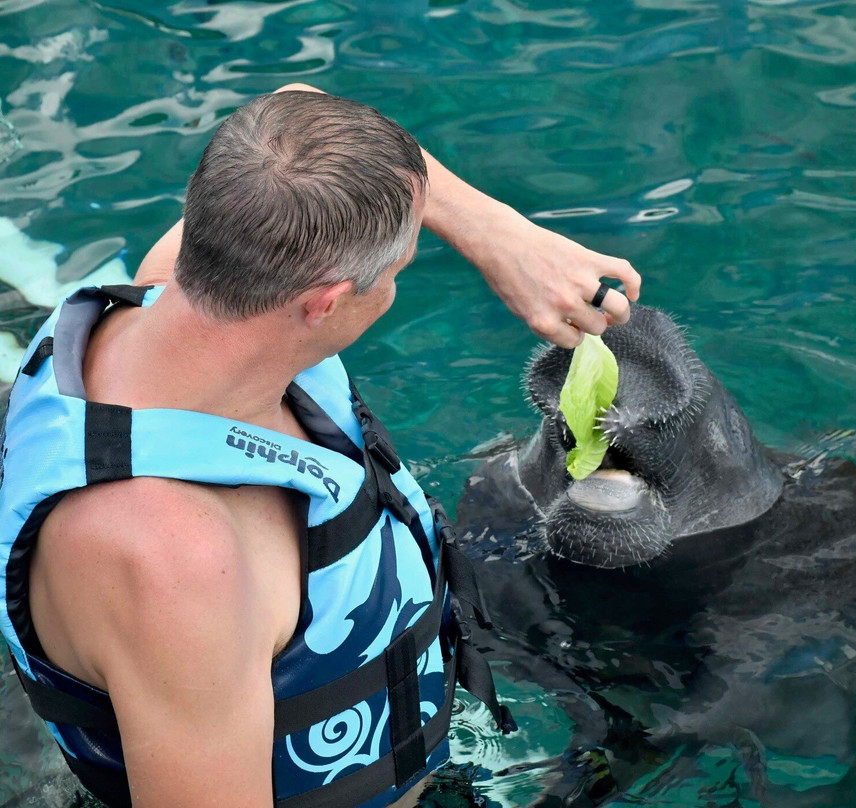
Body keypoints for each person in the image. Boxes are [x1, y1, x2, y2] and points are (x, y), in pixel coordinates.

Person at [0, 83, 641, 808]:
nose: (395, 284)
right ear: (327, 303)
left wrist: (501, 239)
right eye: (395, 275)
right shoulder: (173, 560)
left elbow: (294, 104)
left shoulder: (175, 289)